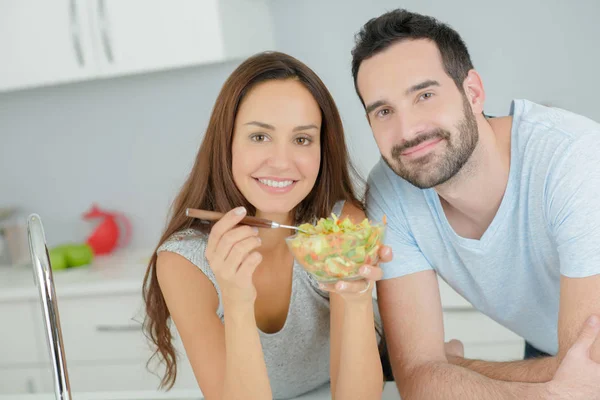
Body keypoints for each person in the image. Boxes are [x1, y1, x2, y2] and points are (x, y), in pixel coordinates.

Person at [351, 8, 600, 399]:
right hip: (549, 353)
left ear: (473, 92)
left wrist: (455, 368)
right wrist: (548, 388)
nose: (408, 131)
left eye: (425, 95)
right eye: (384, 111)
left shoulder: (575, 159)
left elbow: (590, 372)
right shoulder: (391, 191)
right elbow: (415, 379)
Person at [142, 51, 391, 400]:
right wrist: (237, 300)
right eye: (260, 137)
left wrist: (358, 299)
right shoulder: (184, 263)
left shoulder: (339, 226)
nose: (281, 162)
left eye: (302, 139)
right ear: (226, 142)